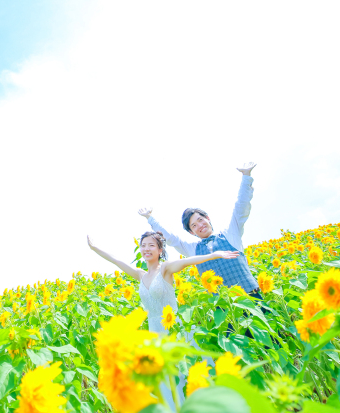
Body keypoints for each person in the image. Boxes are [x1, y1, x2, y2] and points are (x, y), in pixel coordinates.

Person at [86, 232, 239, 408]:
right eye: (143, 245)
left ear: (160, 250)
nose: (146, 248)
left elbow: (187, 262)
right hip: (155, 334)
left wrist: (213, 255)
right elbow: (116, 261)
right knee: (169, 380)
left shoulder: (165, 269)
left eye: (151, 245)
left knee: (190, 371)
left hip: (176, 329)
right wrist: (95, 248)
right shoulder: (140, 275)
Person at [138, 162, 260, 296]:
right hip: (221, 304)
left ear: (208, 218)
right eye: (194, 225)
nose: (200, 225)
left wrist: (246, 176)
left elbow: (241, 207)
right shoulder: (193, 249)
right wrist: (149, 218)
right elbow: (171, 238)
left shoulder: (231, 234)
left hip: (250, 297)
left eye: (200, 220)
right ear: (191, 232)